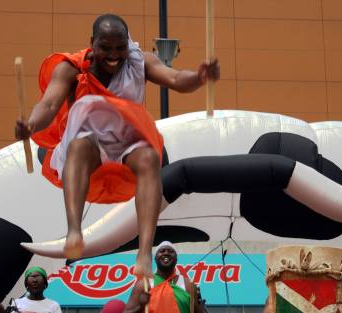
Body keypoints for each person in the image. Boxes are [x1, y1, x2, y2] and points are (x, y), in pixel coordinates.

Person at [14, 13, 220, 277]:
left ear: (128, 44)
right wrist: (31, 125)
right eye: (106, 48)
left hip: (127, 141)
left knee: (148, 157)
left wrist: (200, 78)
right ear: (93, 43)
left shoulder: (140, 62)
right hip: (88, 143)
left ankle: (145, 252)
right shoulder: (72, 68)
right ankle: (74, 231)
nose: (114, 54)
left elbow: (176, 79)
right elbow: (49, 104)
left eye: (120, 47)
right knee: (79, 145)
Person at [124, 241, 206, 313]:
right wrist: (140, 306)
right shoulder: (144, 285)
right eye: (162, 251)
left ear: (176, 259)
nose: (166, 253)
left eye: (170, 251)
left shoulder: (188, 285)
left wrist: (202, 308)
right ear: (155, 258)